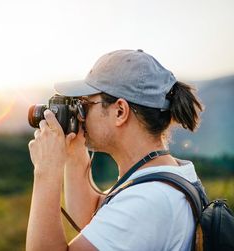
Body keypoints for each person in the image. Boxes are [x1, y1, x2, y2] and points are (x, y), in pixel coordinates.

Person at [26, 49, 204, 251]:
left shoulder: (148, 200)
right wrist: (74, 152)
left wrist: (46, 171)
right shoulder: (168, 173)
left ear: (120, 111)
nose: (81, 115)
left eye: (85, 104)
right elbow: (92, 216)